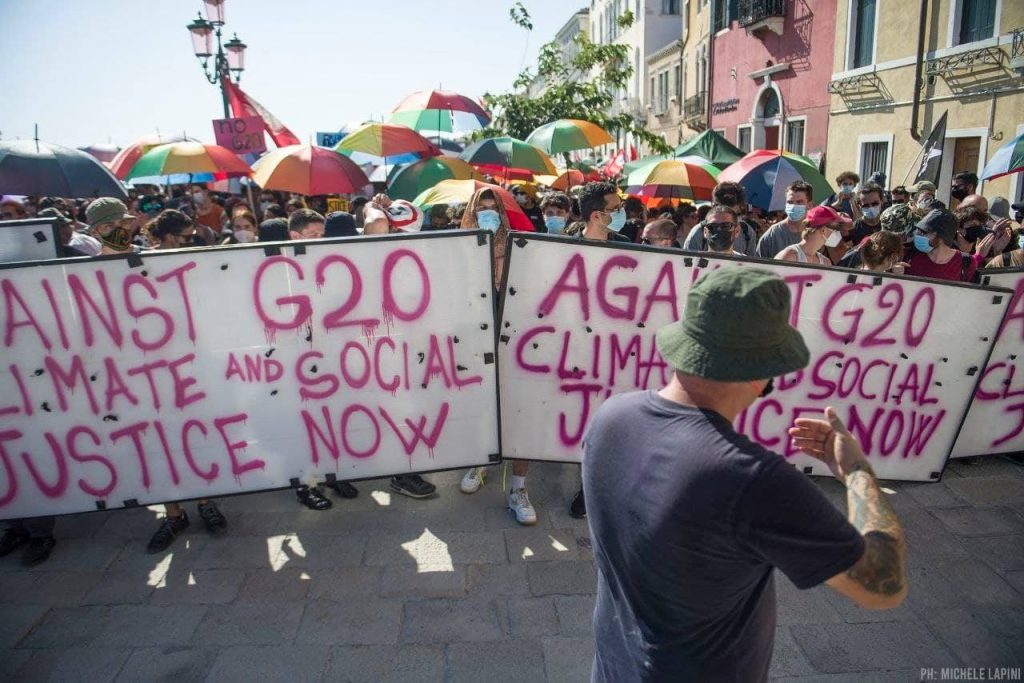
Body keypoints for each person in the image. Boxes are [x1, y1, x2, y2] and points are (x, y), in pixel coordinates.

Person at [583, 267, 907, 681]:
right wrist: (857, 470)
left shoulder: (612, 416)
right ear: (762, 373)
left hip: (614, 667)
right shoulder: (753, 479)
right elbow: (884, 584)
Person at [144, 209, 229, 553]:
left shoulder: (193, 264)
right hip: (154, 365)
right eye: (184, 237)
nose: (189, 242)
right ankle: (174, 512)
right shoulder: (141, 266)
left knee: (199, 433)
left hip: (195, 360)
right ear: (164, 236)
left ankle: (206, 502)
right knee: (163, 439)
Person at [458, 187, 536, 523]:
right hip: (476, 342)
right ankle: (479, 460)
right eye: (481, 209)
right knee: (480, 405)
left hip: (515, 340)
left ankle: (519, 487)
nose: (487, 213)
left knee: (520, 411)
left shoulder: (521, 247)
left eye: (493, 208)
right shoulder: (459, 250)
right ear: (471, 214)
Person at [906, 208, 987, 283]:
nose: (918, 235)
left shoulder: (966, 263)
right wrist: (895, 271)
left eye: (923, 232)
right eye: (918, 231)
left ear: (941, 236)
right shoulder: (910, 255)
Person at [682, 182, 759, 257]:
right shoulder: (698, 232)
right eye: (723, 219)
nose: (729, 221)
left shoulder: (747, 232)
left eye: (735, 216)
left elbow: (750, 266)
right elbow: (686, 266)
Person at [839, 202, 918, 270]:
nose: (917, 232)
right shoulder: (872, 245)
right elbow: (848, 268)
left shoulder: (916, 246)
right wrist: (886, 269)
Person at [755, 180, 816, 258]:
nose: (794, 206)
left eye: (799, 202)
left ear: (810, 205)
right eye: (790, 202)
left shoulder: (816, 233)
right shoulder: (772, 236)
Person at [775, 205, 846, 265]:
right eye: (836, 228)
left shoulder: (826, 263)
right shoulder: (789, 257)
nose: (837, 232)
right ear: (823, 230)